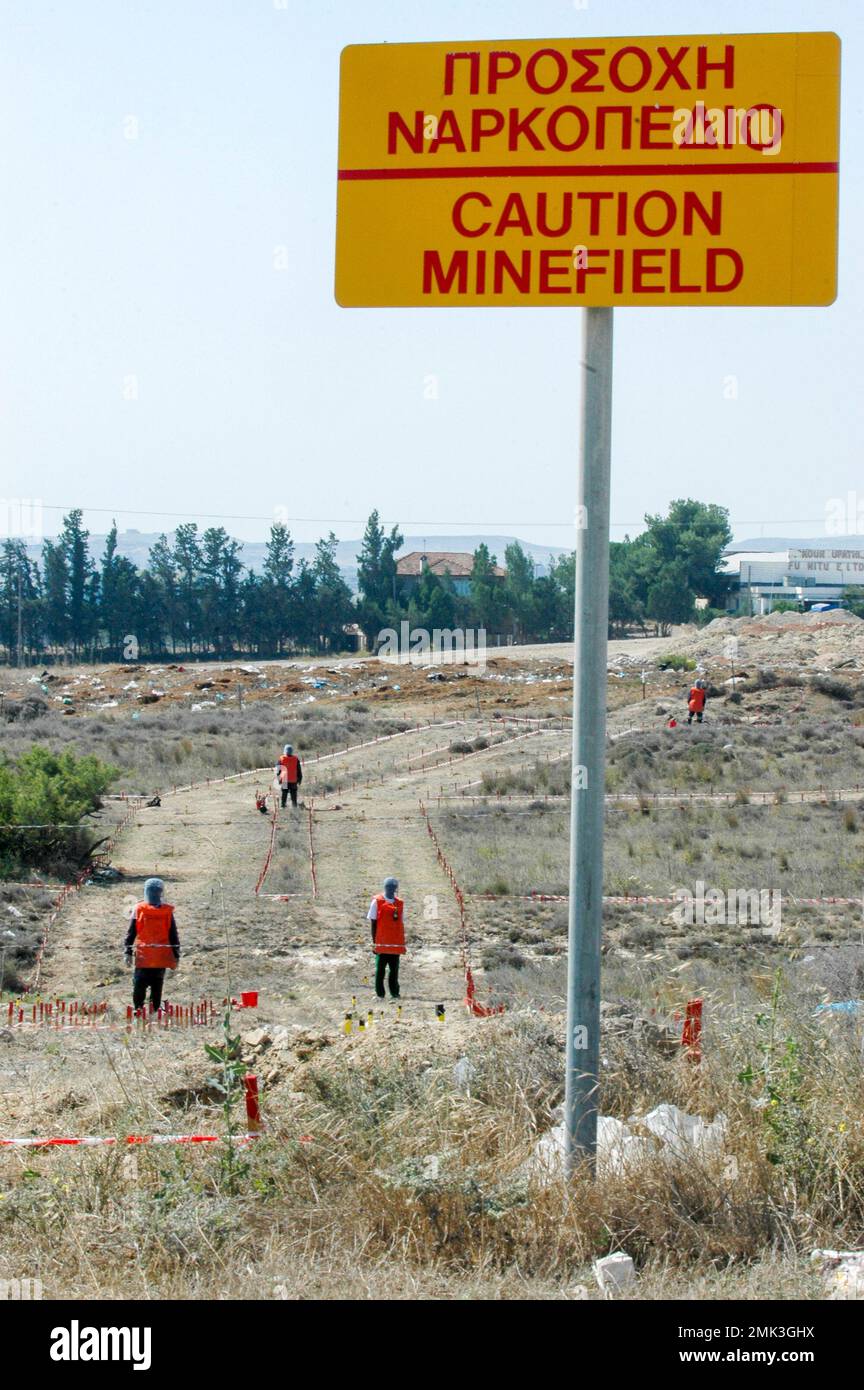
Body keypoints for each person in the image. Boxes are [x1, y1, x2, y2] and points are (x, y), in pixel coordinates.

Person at [124, 877, 180, 1012]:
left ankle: (138, 1009)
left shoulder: (139, 908)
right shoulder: (167, 911)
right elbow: (173, 935)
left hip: (144, 954)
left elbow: (131, 933)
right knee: (157, 983)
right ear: (161, 893)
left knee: (139, 983)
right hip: (161, 954)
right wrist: (176, 955)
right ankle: (154, 1010)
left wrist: (127, 952)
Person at [367, 876, 405, 1000]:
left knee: (394, 970)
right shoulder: (376, 901)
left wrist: (401, 943)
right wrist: (374, 943)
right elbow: (373, 923)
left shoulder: (399, 903)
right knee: (380, 970)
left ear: (396, 888)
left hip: (395, 943)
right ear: (385, 887)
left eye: (393, 887)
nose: (391, 889)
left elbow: (400, 924)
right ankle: (380, 994)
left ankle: (395, 993)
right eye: (389, 887)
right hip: (382, 943)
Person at [275, 743, 302, 809]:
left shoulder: (281, 759)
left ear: (285, 751)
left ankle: (283, 806)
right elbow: (299, 770)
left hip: (284, 780)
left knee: (284, 793)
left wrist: (279, 780)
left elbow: (278, 771)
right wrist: (299, 779)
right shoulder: (296, 759)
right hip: (293, 780)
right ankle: (294, 807)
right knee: (293, 794)